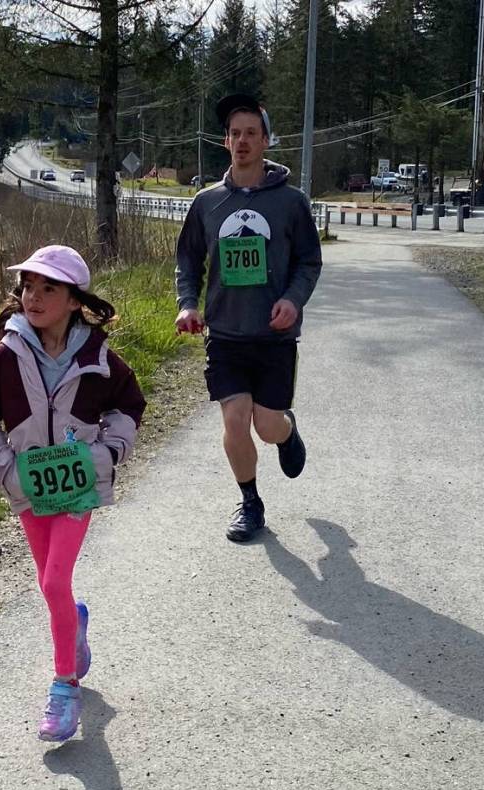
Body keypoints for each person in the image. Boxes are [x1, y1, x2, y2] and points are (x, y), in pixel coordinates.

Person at [0, 244, 145, 742]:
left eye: (48, 288)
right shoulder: (4, 356)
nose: (33, 297)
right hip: (29, 487)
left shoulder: (99, 358)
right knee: (51, 583)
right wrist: (7, 471)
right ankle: (75, 628)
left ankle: (64, 688)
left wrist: (105, 456)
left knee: (54, 581)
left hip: (77, 485)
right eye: (27, 287)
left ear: (74, 299)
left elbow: (129, 405)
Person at [174, 92, 322, 542]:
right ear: (226, 141)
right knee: (235, 418)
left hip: (274, 336)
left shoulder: (291, 203)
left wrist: (293, 300)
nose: (242, 141)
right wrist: (188, 304)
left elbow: (308, 262)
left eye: (251, 134)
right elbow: (188, 261)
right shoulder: (206, 202)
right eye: (235, 133)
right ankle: (250, 502)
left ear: (265, 141)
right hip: (226, 334)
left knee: (266, 423)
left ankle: (288, 431)